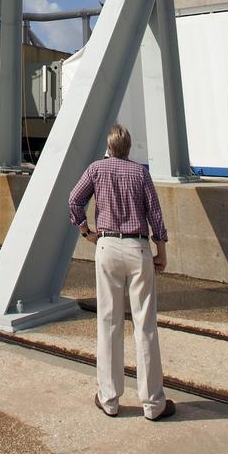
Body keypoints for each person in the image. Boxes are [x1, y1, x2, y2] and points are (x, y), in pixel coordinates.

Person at [68, 123, 174, 420]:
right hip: (138, 248)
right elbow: (155, 214)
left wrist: (85, 231)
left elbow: (74, 199)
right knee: (145, 325)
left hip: (107, 247)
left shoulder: (96, 169)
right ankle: (153, 404)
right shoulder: (140, 173)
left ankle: (109, 399)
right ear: (128, 147)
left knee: (109, 322)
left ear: (109, 146)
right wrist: (161, 252)